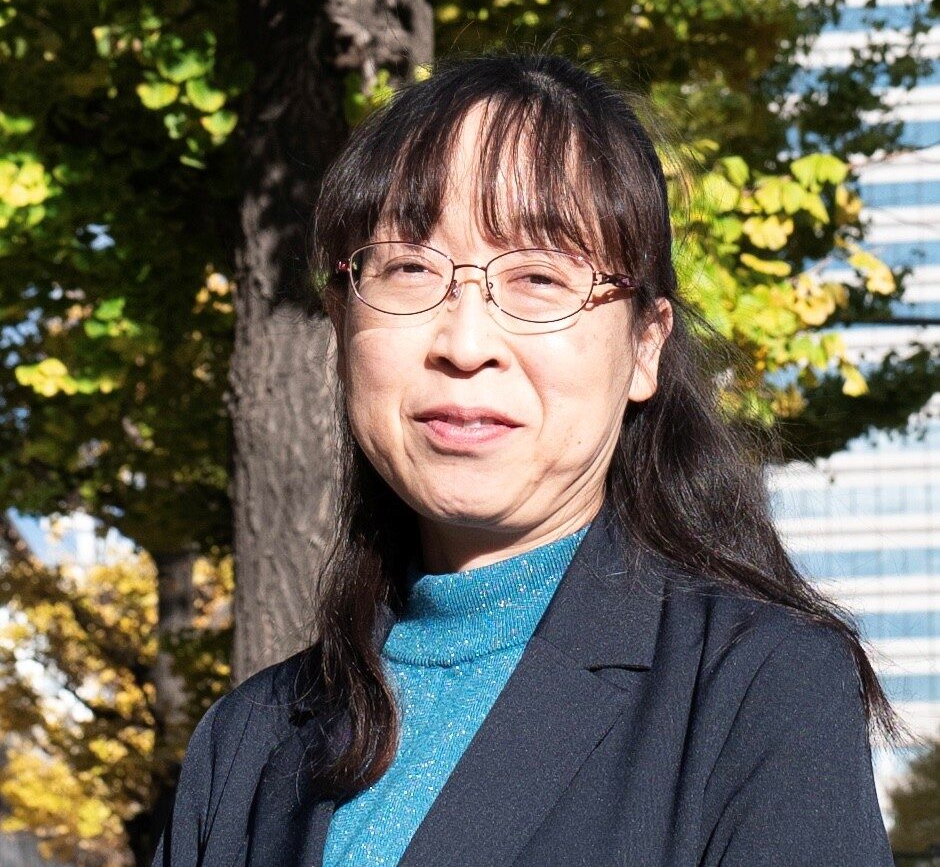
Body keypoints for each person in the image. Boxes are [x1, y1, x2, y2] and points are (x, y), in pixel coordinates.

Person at [153, 51, 902, 867]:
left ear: (645, 345)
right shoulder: (247, 741)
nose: (465, 342)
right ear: (341, 323)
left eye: (540, 278)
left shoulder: (755, 685)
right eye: (410, 268)